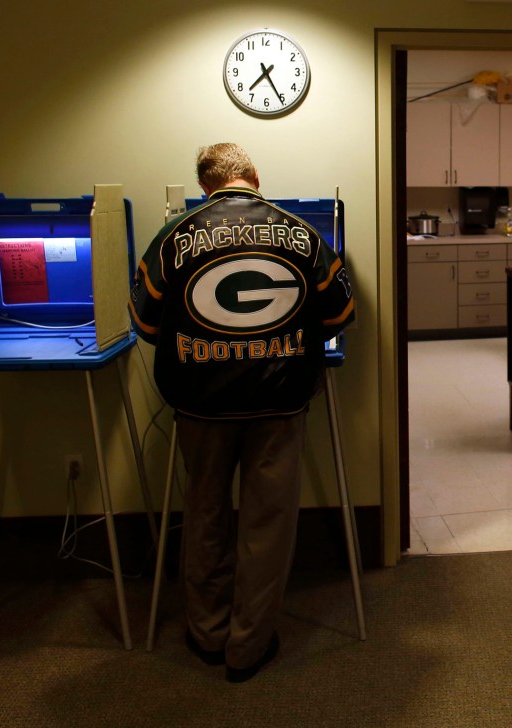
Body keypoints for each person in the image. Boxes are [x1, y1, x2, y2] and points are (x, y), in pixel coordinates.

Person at [129, 143, 355, 682]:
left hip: (201, 403)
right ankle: (248, 646)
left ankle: (206, 633)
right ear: (254, 177)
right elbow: (343, 311)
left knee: (204, 510)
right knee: (268, 520)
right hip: (280, 399)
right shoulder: (302, 232)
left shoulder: (175, 236)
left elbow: (145, 322)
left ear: (206, 186)